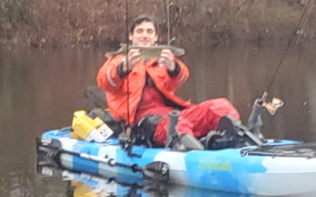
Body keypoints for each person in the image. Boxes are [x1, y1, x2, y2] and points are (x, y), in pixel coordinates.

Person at [96, 15, 241, 151]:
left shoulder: (161, 59)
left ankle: (238, 140)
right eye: (139, 31)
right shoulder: (118, 60)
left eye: (149, 31)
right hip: (141, 122)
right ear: (131, 36)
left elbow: (181, 77)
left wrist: (173, 67)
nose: (145, 35)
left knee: (220, 106)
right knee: (177, 125)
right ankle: (198, 154)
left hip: (172, 114)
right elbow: (104, 82)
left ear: (156, 38)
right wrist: (123, 68)